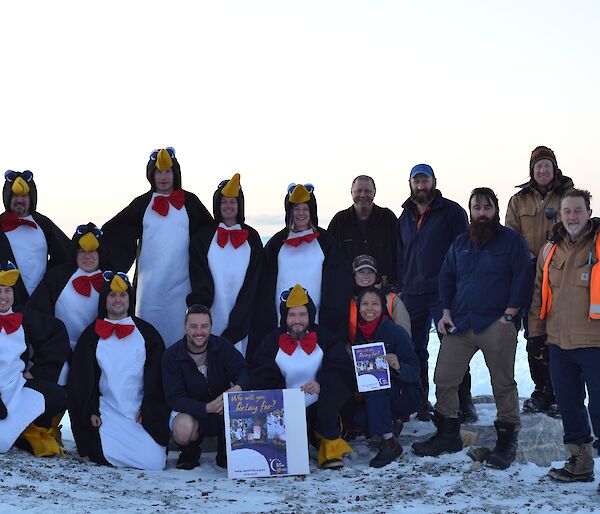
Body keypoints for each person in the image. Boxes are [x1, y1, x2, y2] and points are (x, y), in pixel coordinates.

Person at [412, 188, 531, 470]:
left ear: (496, 211)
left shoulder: (512, 241)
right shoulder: (461, 243)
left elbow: (523, 277)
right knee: (444, 377)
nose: (481, 213)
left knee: (502, 383)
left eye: (487, 207)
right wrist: (444, 312)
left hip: (496, 323)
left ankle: (507, 438)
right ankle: (448, 433)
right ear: (470, 212)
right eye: (476, 208)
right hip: (462, 323)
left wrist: (511, 313)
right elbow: (446, 278)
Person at [102, 148, 213, 347]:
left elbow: (210, 235)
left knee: (180, 335)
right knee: (148, 337)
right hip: (149, 288)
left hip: (182, 286)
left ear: (175, 174)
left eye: (167, 171)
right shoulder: (142, 204)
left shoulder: (190, 202)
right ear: (151, 175)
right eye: (158, 172)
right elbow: (115, 231)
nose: (163, 177)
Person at [528, 189, 600, 490]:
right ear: (559, 215)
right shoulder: (549, 251)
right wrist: (535, 335)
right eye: (567, 211)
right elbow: (538, 294)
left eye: (577, 211)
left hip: (595, 343)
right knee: (570, 407)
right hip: (559, 344)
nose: (572, 216)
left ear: (588, 212)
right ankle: (580, 463)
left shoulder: (598, 244)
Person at [396, 163, 474, 422]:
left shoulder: (452, 212)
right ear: (410, 184)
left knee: (453, 347)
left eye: (425, 180)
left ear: (434, 181)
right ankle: (419, 401)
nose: (421, 186)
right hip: (412, 293)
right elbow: (400, 254)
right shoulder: (404, 216)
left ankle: (464, 403)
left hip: (444, 293)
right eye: (416, 181)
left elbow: (465, 251)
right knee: (414, 349)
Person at [68, 271, 170, 470]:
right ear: (104, 299)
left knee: (154, 463)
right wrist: (90, 410)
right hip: (107, 412)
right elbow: (80, 381)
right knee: (99, 454)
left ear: (129, 299)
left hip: (138, 413)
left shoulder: (148, 334)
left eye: (122, 295)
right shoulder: (91, 335)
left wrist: (149, 409)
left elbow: (159, 378)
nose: (117, 300)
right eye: (112, 295)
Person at [252, 284, 355, 469]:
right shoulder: (270, 342)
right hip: (285, 409)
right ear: (284, 317)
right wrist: (282, 396)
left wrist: (321, 383)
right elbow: (262, 374)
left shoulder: (326, 338)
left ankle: (329, 446)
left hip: (319, 405)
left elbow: (341, 368)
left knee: (328, 408)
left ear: (310, 316)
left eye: (302, 315)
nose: (297, 320)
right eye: (292, 315)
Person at [505, 145, 574, 415]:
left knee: (560, 332)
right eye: (538, 166)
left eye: (547, 165)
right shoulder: (518, 201)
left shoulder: (568, 196)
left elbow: (577, 227)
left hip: (561, 273)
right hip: (529, 273)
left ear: (554, 168)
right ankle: (541, 389)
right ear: (532, 171)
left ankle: (560, 391)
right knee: (534, 332)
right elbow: (510, 236)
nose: (543, 170)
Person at [250, 183, 352, 361]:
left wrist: (331, 317)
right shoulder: (276, 244)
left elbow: (338, 284)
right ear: (289, 212)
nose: (301, 213)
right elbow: (264, 284)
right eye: (296, 209)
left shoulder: (327, 243)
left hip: (320, 319)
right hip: (281, 320)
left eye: (305, 208)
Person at [162, 304, 251, 470]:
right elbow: (174, 398)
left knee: (226, 464)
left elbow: (244, 372)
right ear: (185, 327)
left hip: (222, 410)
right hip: (193, 412)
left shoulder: (222, 347)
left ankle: (225, 451)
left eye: (204, 326)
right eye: (193, 326)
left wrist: (237, 388)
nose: (199, 332)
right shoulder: (172, 356)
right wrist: (205, 408)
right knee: (182, 428)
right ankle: (189, 451)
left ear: (210, 327)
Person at [343, 286, 423, 467]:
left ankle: (390, 443)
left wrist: (398, 365)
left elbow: (415, 370)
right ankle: (388, 424)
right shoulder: (359, 336)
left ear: (382, 307)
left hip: (406, 393)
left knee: (375, 384)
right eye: (365, 304)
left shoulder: (396, 332)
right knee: (358, 418)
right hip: (379, 397)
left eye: (375, 304)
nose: (369, 309)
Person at [187, 174, 263, 357]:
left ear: (240, 205)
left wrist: (242, 317)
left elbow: (255, 280)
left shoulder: (252, 238)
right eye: (224, 202)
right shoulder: (203, 237)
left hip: (243, 315)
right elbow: (197, 275)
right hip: (211, 315)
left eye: (233, 202)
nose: (228, 207)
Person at [0, 261, 68, 457]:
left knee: (57, 395)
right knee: (2, 443)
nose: (3, 297)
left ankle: (27, 430)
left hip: (16, 386)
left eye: (8, 291)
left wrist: (36, 371)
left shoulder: (23, 317)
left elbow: (56, 333)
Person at [0, 170, 70, 300]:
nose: (19, 200)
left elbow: (66, 253)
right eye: (15, 196)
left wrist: (48, 280)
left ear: (31, 198)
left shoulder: (43, 224)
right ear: (7, 198)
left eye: (24, 196)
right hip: (6, 304)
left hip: (40, 304)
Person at [328, 175, 398, 286]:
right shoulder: (339, 221)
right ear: (351, 192)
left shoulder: (387, 218)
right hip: (348, 292)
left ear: (374, 192)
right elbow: (329, 258)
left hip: (383, 289)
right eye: (358, 191)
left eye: (367, 191)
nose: (363, 195)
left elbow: (399, 253)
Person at [349, 254, 411, 340]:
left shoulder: (391, 299)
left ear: (376, 275)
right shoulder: (347, 299)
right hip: (355, 351)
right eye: (361, 272)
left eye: (370, 272)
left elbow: (405, 334)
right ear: (354, 275)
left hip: (389, 351)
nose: (366, 276)